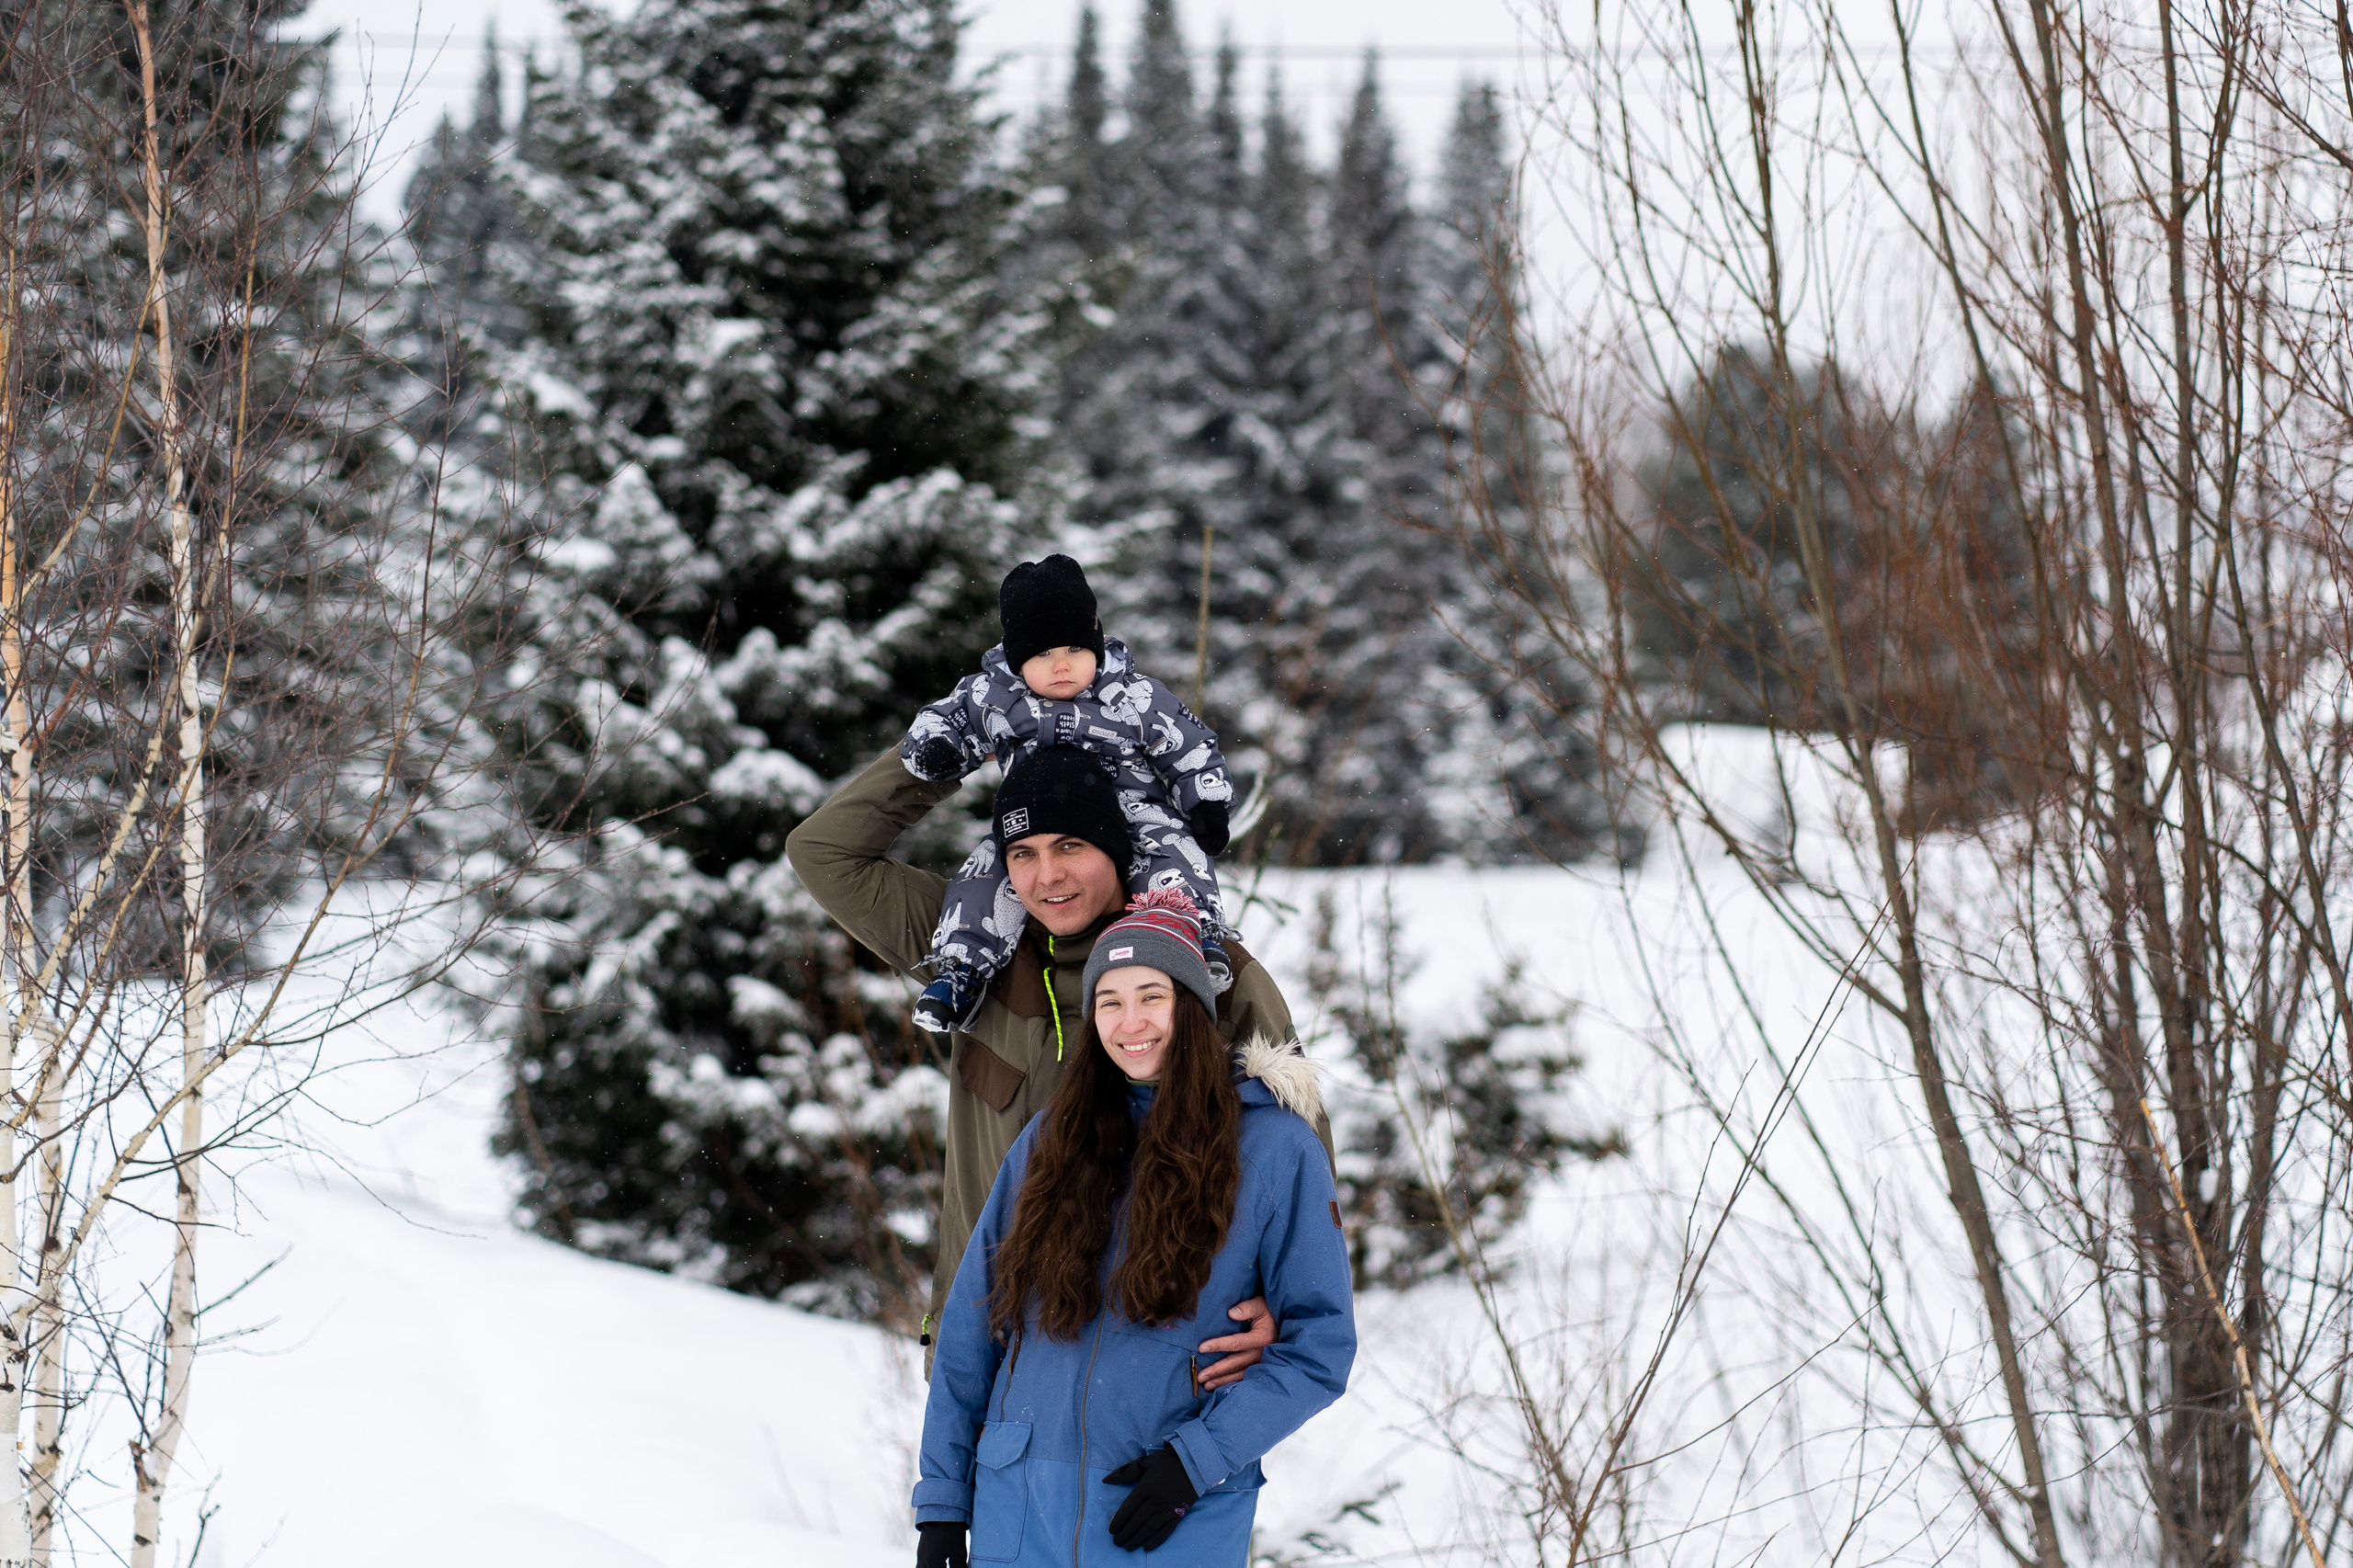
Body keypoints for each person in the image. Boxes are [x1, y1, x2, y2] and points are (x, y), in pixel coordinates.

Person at [784, 733, 1322, 1380]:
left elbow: (1300, 1148)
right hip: (990, 1353)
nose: (1048, 876)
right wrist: (952, 742)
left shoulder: (1211, 974)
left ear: (1117, 848)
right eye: (1023, 852)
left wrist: (1282, 1299)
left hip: (1158, 1362)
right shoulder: (974, 953)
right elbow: (823, 852)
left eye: (1071, 846)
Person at [911, 891, 1354, 1567]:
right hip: (1017, 1511)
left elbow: (1319, 1345)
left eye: (1152, 995)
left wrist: (1195, 1461)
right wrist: (942, 1502)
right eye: (1110, 1002)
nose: (1130, 1022)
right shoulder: (1050, 1139)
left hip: (1168, 1517)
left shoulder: (1275, 1149)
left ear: (1193, 1007)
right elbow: (973, 1327)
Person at [900, 554, 1238, 1035]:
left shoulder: (1132, 694)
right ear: (1017, 658)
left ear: (1096, 640)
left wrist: (1206, 801)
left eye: (1075, 648)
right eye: (1041, 655)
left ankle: (1194, 937)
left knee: (1174, 853)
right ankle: (962, 970)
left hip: (1133, 809)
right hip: (1034, 819)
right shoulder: (996, 696)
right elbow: (945, 718)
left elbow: (1188, 743)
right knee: (987, 874)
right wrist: (936, 749)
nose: (1061, 666)